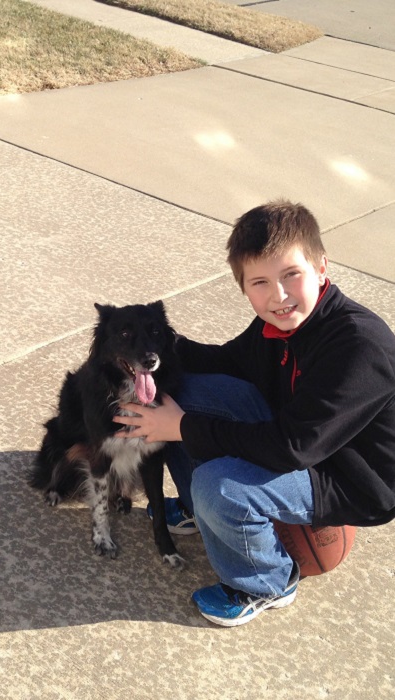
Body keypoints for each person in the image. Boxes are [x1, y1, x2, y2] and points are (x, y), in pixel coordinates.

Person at [113, 200, 395, 626]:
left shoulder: (359, 347)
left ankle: (267, 582)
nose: (278, 295)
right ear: (243, 287)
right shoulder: (279, 325)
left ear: (321, 267)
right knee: (178, 391)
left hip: (348, 475)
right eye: (260, 282)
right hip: (298, 435)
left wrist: (183, 428)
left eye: (291, 275)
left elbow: (291, 449)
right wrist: (155, 344)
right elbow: (228, 363)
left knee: (219, 485)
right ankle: (198, 510)